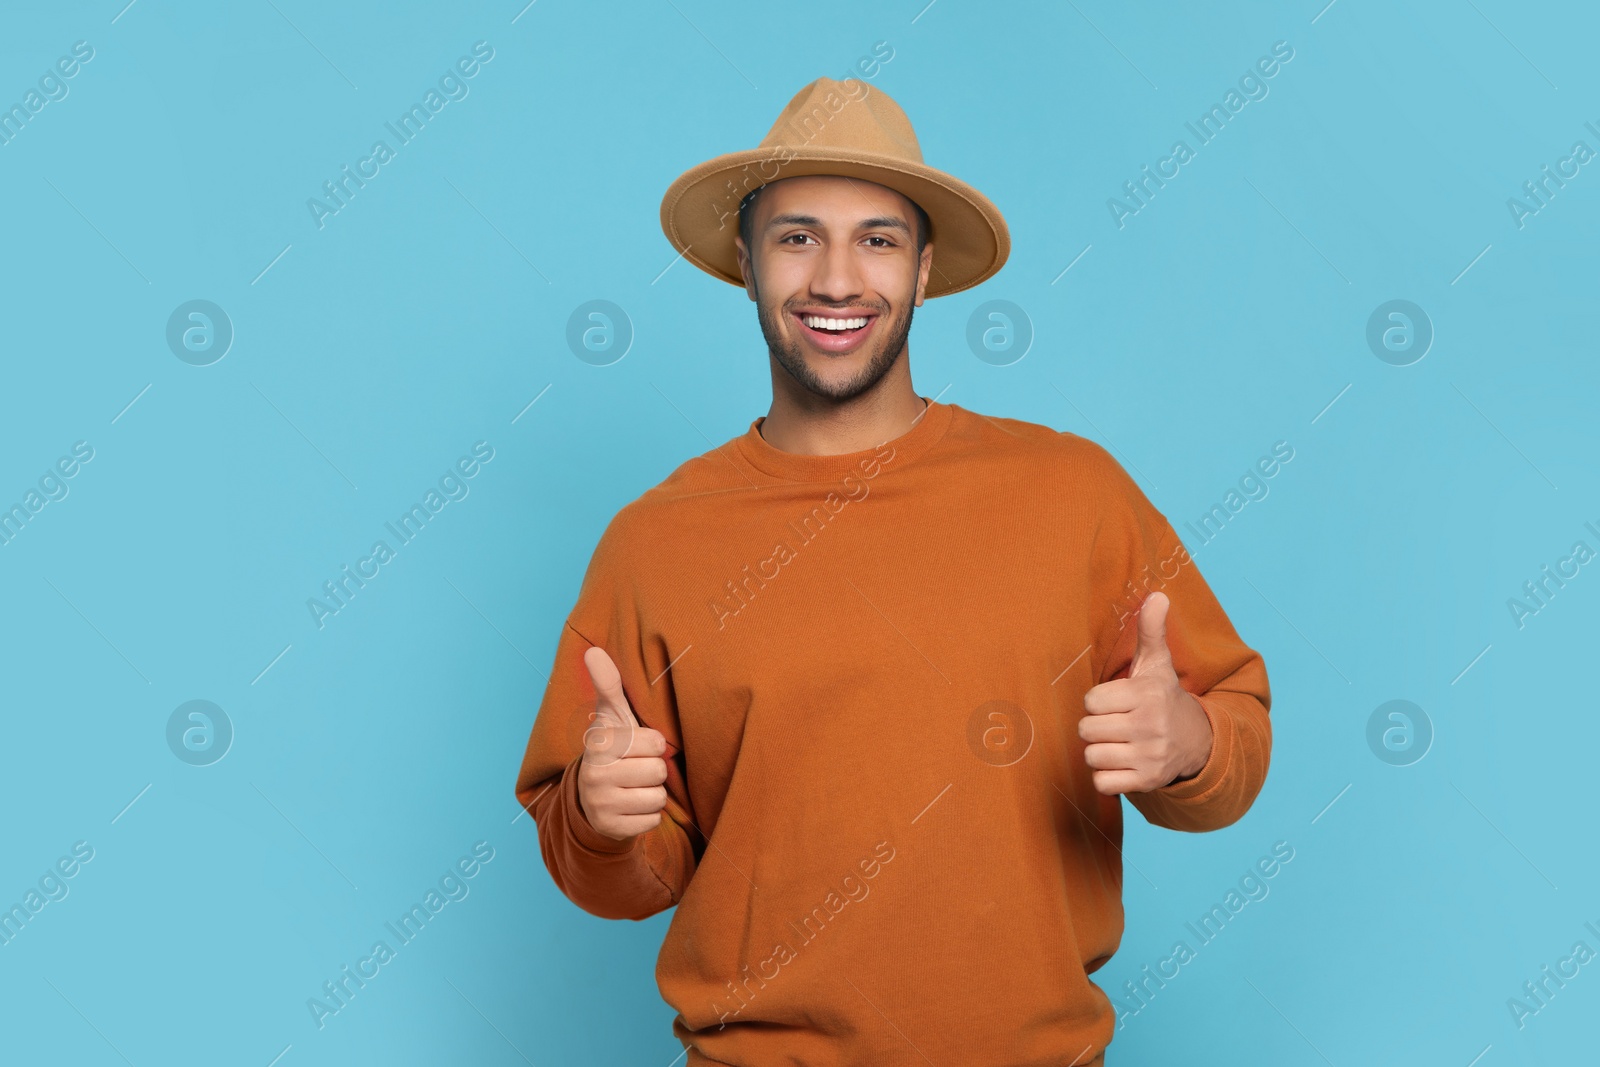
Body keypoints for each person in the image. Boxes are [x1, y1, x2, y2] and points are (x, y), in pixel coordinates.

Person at [514, 75, 1272, 1067]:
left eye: (876, 238)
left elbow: (1230, 744)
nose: (835, 278)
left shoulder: (1072, 493)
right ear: (745, 264)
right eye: (796, 236)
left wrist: (1187, 743)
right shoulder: (655, 539)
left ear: (922, 270)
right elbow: (624, 877)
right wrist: (601, 819)